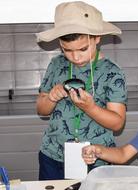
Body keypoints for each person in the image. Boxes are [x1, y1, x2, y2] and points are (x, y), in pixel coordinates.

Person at [36, 1, 127, 180]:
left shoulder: (113, 72)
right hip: (52, 155)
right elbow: (41, 110)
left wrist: (90, 108)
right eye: (67, 50)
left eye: (83, 49)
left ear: (97, 38)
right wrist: (51, 98)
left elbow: (117, 123)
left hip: (96, 158)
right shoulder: (56, 64)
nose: (76, 57)